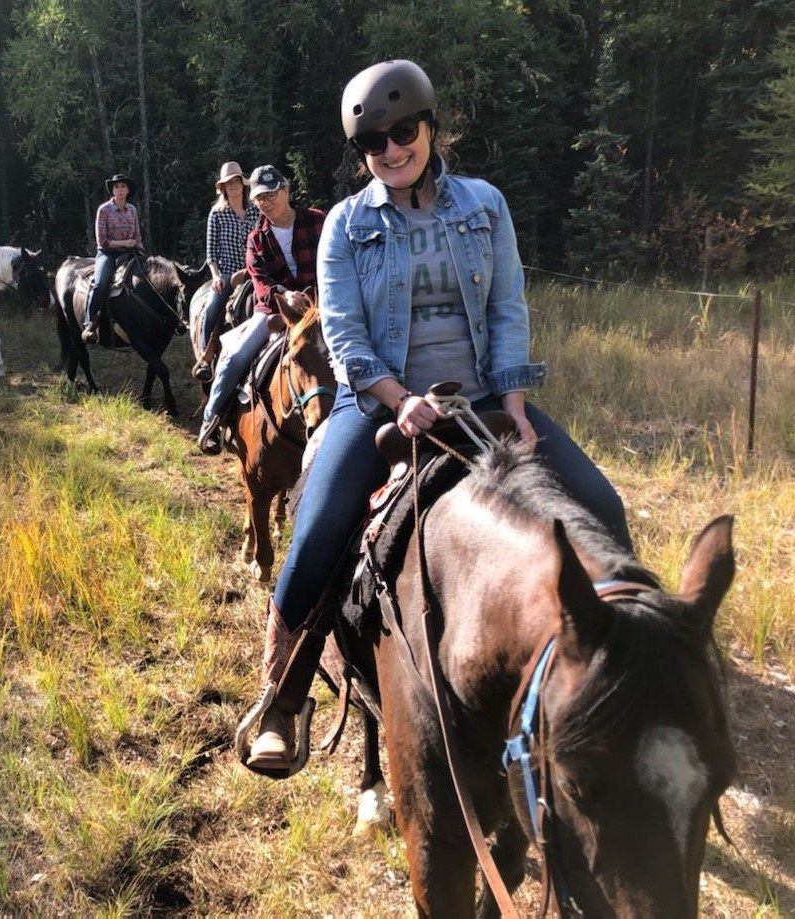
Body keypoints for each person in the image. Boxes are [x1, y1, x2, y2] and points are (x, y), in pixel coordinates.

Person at [243, 60, 633, 773]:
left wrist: (513, 403)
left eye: (403, 132)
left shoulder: (485, 205)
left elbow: (507, 307)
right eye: (374, 144)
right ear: (360, 154)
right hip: (382, 403)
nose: (392, 151)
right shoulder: (346, 227)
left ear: (429, 126)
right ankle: (283, 695)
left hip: (482, 395)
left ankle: (620, 674)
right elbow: (348, 337)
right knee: (323, 519)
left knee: (602, 503)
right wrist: (398, 399)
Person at [196, 165, 324, 454]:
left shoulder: (317, 221)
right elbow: (261, 282)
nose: (266, 202)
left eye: (271, 194)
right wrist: (284, 295)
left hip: (320, 308)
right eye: (260, 198)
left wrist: (315, 296)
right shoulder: (256, 238)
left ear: (286, 191)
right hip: (273, 311)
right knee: (234, 356)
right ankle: (212, 420)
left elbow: (334, 262)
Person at [192, 161, 260, 382]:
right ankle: (205, 358)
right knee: (212, 308)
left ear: (242, 183)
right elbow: (211, 253)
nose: (233, 186)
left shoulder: (255, 211)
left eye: (236, 182)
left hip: (253, 272)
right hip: (228, 273)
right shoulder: (217, 214)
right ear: (222, 188)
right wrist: (216, 276)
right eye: (228, 183)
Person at [81, 173, 144, 343]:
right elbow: (103, 241)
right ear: (113, 191)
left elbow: (137, 235)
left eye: (123, 186)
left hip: (130, 252)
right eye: (117, 187)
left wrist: (140, 250)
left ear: (128, 190)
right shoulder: (104, 210)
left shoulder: (132, 210)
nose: (120, 190)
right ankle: (90, 323)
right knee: (101, 283)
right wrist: (126, 242)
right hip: (108, 253)